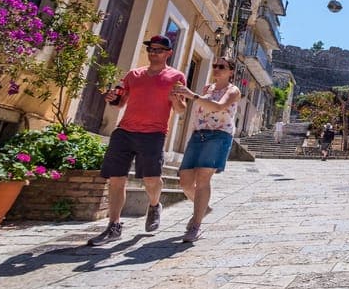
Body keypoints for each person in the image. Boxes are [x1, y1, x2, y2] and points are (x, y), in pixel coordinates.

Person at [87, 35, 187, 246]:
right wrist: (111, 98)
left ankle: (154, 205)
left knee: (151, 179)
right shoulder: (134, 75)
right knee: (116, 178)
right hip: (124, 131)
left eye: (159, 50)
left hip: (153, 134)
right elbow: (119, 103)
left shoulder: (176, 76)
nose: (154, 53)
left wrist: (175, 101)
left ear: (168, 53)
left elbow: (181, 110)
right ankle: (114, 225)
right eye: (151, 49)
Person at [172, 56, 240, 243]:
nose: (217, 69)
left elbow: (219, 106)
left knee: (203, 178)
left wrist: (192, 95)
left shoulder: (233, 90)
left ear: (231, 71)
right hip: (198, 135)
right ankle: (203, 208)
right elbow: (197, 110)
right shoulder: (207, 89)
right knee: (185, 182)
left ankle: (196, 224)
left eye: (222, 67)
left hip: (219, 136)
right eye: (215, 66)